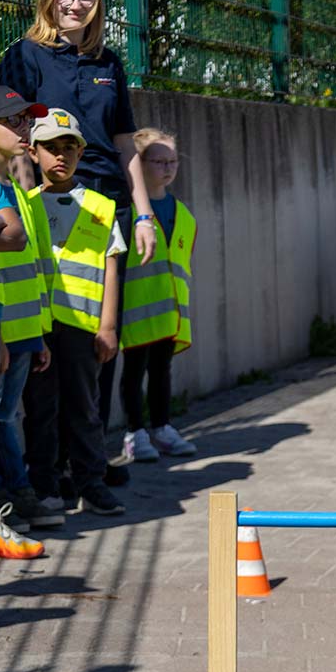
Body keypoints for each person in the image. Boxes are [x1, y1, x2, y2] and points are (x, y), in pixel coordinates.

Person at [0, 0, 157, 480]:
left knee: (98, 339)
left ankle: (91, 457)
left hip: (105, 207)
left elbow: (124, 141)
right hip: (48, 210)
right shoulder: (25, 56)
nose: (75, 5)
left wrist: (145, 215)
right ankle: (53, 465)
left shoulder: (109, 62)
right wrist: (24, 197)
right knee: (49, 343)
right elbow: (6, 133)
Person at [23, 108, 126, 518]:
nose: (60, 156)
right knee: (41, 409)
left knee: (84, 407)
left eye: (70, 147)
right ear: (33, 153)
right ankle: (45, 484)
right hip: (41, 327)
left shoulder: (101, 206)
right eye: (51, 148)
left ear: (82, 153)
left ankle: (91, 482)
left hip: (84, 327)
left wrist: (109, 326)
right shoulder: (24, 206)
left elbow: (111, 266)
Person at [0, 87, 61, 536]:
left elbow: (23, 247)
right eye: (15, 120)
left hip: (7, 326)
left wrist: (37, 333)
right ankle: (0, 504)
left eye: (28, 120)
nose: (25, 128)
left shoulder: (12, 189)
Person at [119, 128, 197, 463]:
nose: (167, 168)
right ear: (139, 163)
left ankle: (162, 427)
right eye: (158, 161)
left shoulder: (184, 215)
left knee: (161, 369)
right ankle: (134, 432)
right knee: (134, 371)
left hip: (169, 312)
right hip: (133, 310)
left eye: (172, 161)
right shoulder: (129, 212)